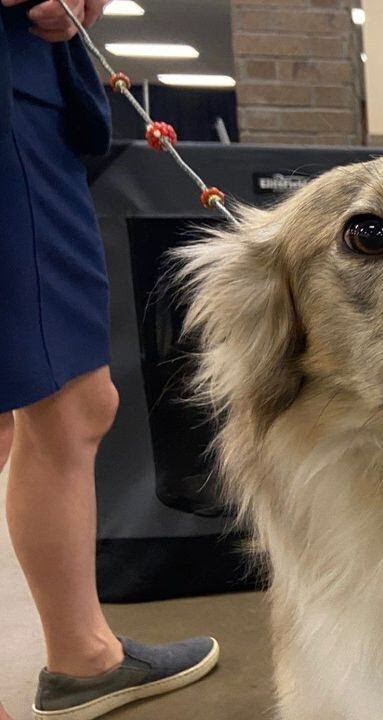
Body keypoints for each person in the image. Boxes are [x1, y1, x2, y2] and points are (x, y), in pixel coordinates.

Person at [1, 2, 218, 719]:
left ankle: (80, 655)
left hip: (32, 86)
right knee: (69, 402)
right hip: (12, 105)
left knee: (33, 411)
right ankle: (83, 660)